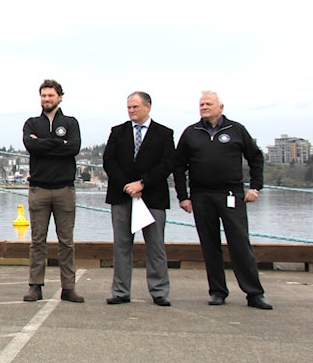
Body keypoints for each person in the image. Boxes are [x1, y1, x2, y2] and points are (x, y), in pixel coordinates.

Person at [174, 91, 272, 309]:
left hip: (231, 194)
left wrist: (255, 187)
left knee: (240, 244)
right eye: (201, 104)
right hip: (201, 196)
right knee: (209, 245)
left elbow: (255, 157)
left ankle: (254, 293)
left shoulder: (236, 130)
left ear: (221, 107)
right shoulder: (191, 133)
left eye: (209, 104)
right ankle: (217, 291)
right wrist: (183, 197)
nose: (204, 107)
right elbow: (178, 166)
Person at [102, 92, 175, 306]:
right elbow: (109, 161)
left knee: (156, 247)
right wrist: (127, 185)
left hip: (152, 197)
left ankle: (160, 291)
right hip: (121, 196)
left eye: (135, 107)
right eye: (129, 107)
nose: (131, 111)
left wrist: (142, 183)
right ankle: (121, 291)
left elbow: (167, 164)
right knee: (122, 246)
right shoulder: (118, 132)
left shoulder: (164, 133)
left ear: (148, 106)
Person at [22, 79, 84, 303]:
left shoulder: (71, 122)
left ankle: (69, 287)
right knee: (37, 241)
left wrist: (45, 144)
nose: (46, 99)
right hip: (39, 189)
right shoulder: (31, 123)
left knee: (66, 242)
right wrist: (59, 143)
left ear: (60, 97)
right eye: (43, 95)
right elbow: (31, 146)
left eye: (51, 95)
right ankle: (35, 286)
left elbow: (73, 147)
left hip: (64, 189)